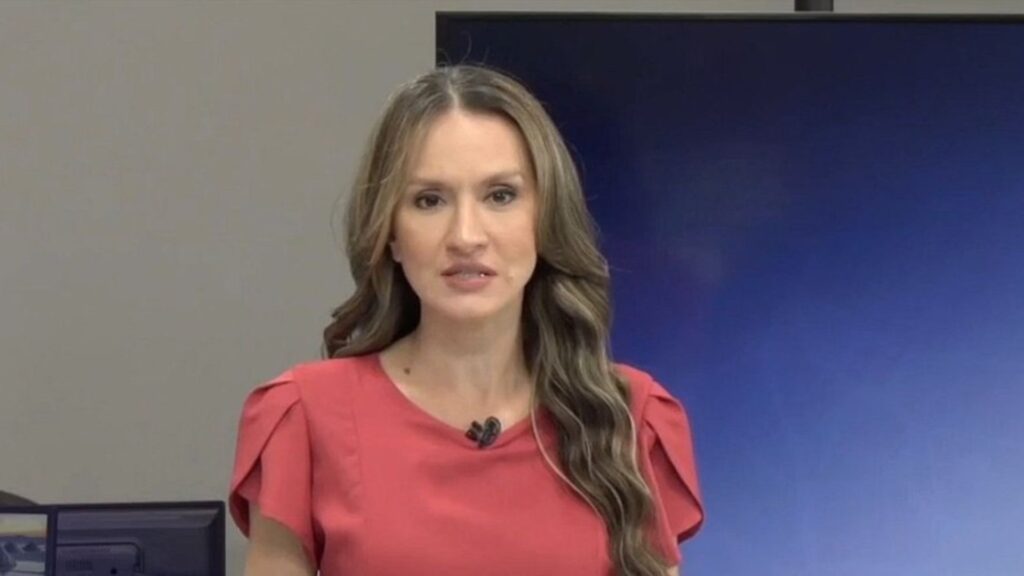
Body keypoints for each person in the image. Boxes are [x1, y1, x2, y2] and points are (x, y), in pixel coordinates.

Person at [229, 64, 703, 576]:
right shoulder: (305, 417)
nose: (466, 236)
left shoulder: (633, 419)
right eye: (429, 200)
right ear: (390, 233)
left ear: (545, 218)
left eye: (500, 195)